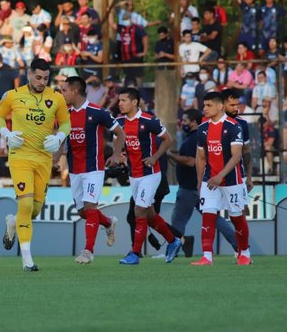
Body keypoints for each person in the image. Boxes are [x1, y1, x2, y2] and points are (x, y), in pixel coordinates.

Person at [0, 59, 71, 271]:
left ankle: (12, 222)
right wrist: (6, 134)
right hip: (20, 157)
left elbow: (66, 122)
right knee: (26, 206)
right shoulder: (13, 95)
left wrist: (60, 137)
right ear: (29, 74)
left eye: (46, 78)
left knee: (34, 210)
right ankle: (27, 259)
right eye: (38, 77)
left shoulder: (56, 98)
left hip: (44, 159)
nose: (41, 82)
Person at [59, 76, 124, 264]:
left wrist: (116, 154)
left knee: (90, 207)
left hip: (94, 168)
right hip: (74, 169)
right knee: (82, 212)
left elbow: (119, 132)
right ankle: (108, 222)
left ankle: (88, 251)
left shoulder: (97, 112)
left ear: (75, 91)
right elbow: (62, 139)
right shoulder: (65, 113)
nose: (62, 94)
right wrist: (55, 159)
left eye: (64, 90)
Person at [116, 87, 182, 265]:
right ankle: (173, 241)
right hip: (134, 174)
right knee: (150, 215)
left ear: (134, 102)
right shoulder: (120, 122)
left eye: (123, 100)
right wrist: (121, 154)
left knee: (139, 211)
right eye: (119, 100)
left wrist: (155, 157)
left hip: (150, 174)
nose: (119, 103)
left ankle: (135, 254)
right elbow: (121, 141)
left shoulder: (148, 120)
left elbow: (168, 139)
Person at [192, 91, 251, 266]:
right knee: (208, 215)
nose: (205, 109)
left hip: (232, 180)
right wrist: (199, 180)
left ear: (219, 106)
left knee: (236, 217)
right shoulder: (203, 128)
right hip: (210, 180)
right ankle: (207, 257)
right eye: (204, 105)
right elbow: (201, 157)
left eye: (209, 105)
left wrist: (220, 176)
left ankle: (245, 253)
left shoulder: (234, 126)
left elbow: (236, 156)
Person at [168, 109, 238, 255]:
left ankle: (172, 250)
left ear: (194, 122)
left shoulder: (193, 139)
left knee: (178, 221)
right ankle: (239, 245)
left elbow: (191, 161)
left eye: (185, 120)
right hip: (198, 186)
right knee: (215, 219)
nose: (182, 123)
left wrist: (170, 155)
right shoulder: (195, 137)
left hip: (189, 187)